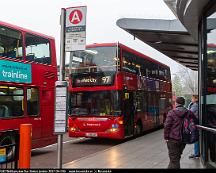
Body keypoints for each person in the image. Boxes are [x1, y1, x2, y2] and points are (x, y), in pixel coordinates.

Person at [164, 96, 187, 169]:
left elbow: (167, 126)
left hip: (173, 139)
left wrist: (166, 137)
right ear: (184, 103)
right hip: (183, 139)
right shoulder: (188, 112)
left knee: (174, 160)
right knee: (176, 158)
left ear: (176, 103)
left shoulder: (171, 112)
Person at [188, 94, 200, 159]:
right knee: (196, 138)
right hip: (197, 123)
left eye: (192, 98)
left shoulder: (195, 105)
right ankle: (197, 153)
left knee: (196, 138)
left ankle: (196, 153)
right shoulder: (196, 104)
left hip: (195, 123)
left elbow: (189, 112)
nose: (191, 99)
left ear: (196, 99)